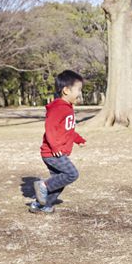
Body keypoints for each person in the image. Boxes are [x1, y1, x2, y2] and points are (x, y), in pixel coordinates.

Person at [31, 70, 87, 213]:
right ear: (66, 90)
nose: (80, 93)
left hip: (57, 151)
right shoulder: (58, 107)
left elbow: (68, 130)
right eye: (78, 90)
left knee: (58, 181)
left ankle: (41, 205)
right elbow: (50, 128)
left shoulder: (67, 108)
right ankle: (43, 185)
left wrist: (78, 139)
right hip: (52, 152)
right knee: (72, 174)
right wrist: (55, 146)